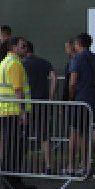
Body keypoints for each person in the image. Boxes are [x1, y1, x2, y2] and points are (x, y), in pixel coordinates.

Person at [67, 33, 95, 180]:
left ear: (78, 44)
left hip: (81, 100)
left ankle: (74, 167)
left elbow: (73, 82)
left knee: (76, 133)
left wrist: (71, 96)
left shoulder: (76, 60)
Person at [0, 36, 32, 189]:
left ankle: (8, 181)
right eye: (22, 46)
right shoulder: (15, 64)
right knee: (16, 148)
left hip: (5, 110)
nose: (25, 48)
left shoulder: (4, 63)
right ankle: (13, 182)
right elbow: (18, 90)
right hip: (15, 112)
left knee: (10, 147)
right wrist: (23, 111)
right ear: (13, 47)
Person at [17, 39, 57, 175]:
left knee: (23, 135)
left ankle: (19, 165)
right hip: (43, 103)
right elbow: (53, 77)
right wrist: (51, 96)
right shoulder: (44, 63)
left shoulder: (22, 65)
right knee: (45, 135)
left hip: (28, 104)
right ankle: (49, 166)